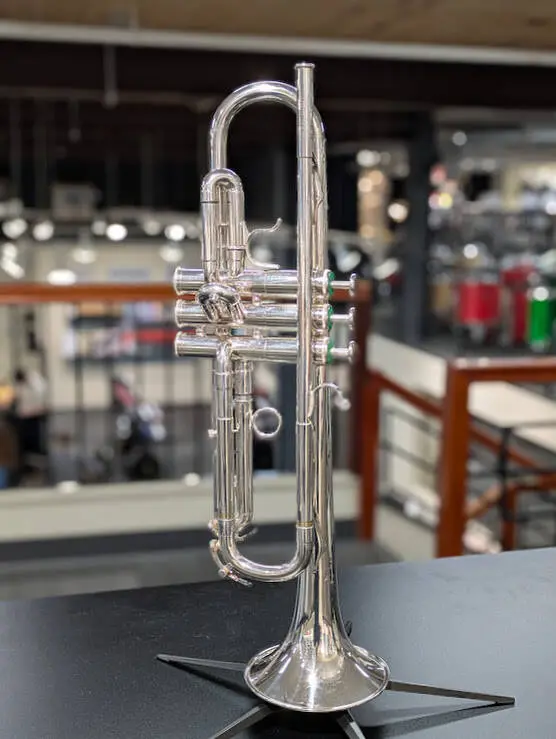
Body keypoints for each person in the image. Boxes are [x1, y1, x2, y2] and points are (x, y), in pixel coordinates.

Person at [11, 367, 48, 483]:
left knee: (34, 442)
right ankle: (29, 466)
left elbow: (41, 391)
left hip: (34, 417)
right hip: (24, 417)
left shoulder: (34, 383)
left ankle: (37, 466)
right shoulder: (21, 387)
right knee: (25, 443)